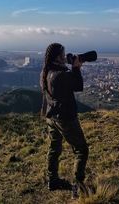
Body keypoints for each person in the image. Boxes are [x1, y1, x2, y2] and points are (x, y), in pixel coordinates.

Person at [40, 43, 89, 197]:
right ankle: (78, 188)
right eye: (63, 54)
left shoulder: (46, 71)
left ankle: (52, 180)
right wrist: (76, 67)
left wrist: (71, 66)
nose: (65, 56)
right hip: (65, 118)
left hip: (52, 117)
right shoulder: (59, 75)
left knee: (55, 147)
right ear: (58, 57)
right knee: (81, 150)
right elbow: (78, 85)